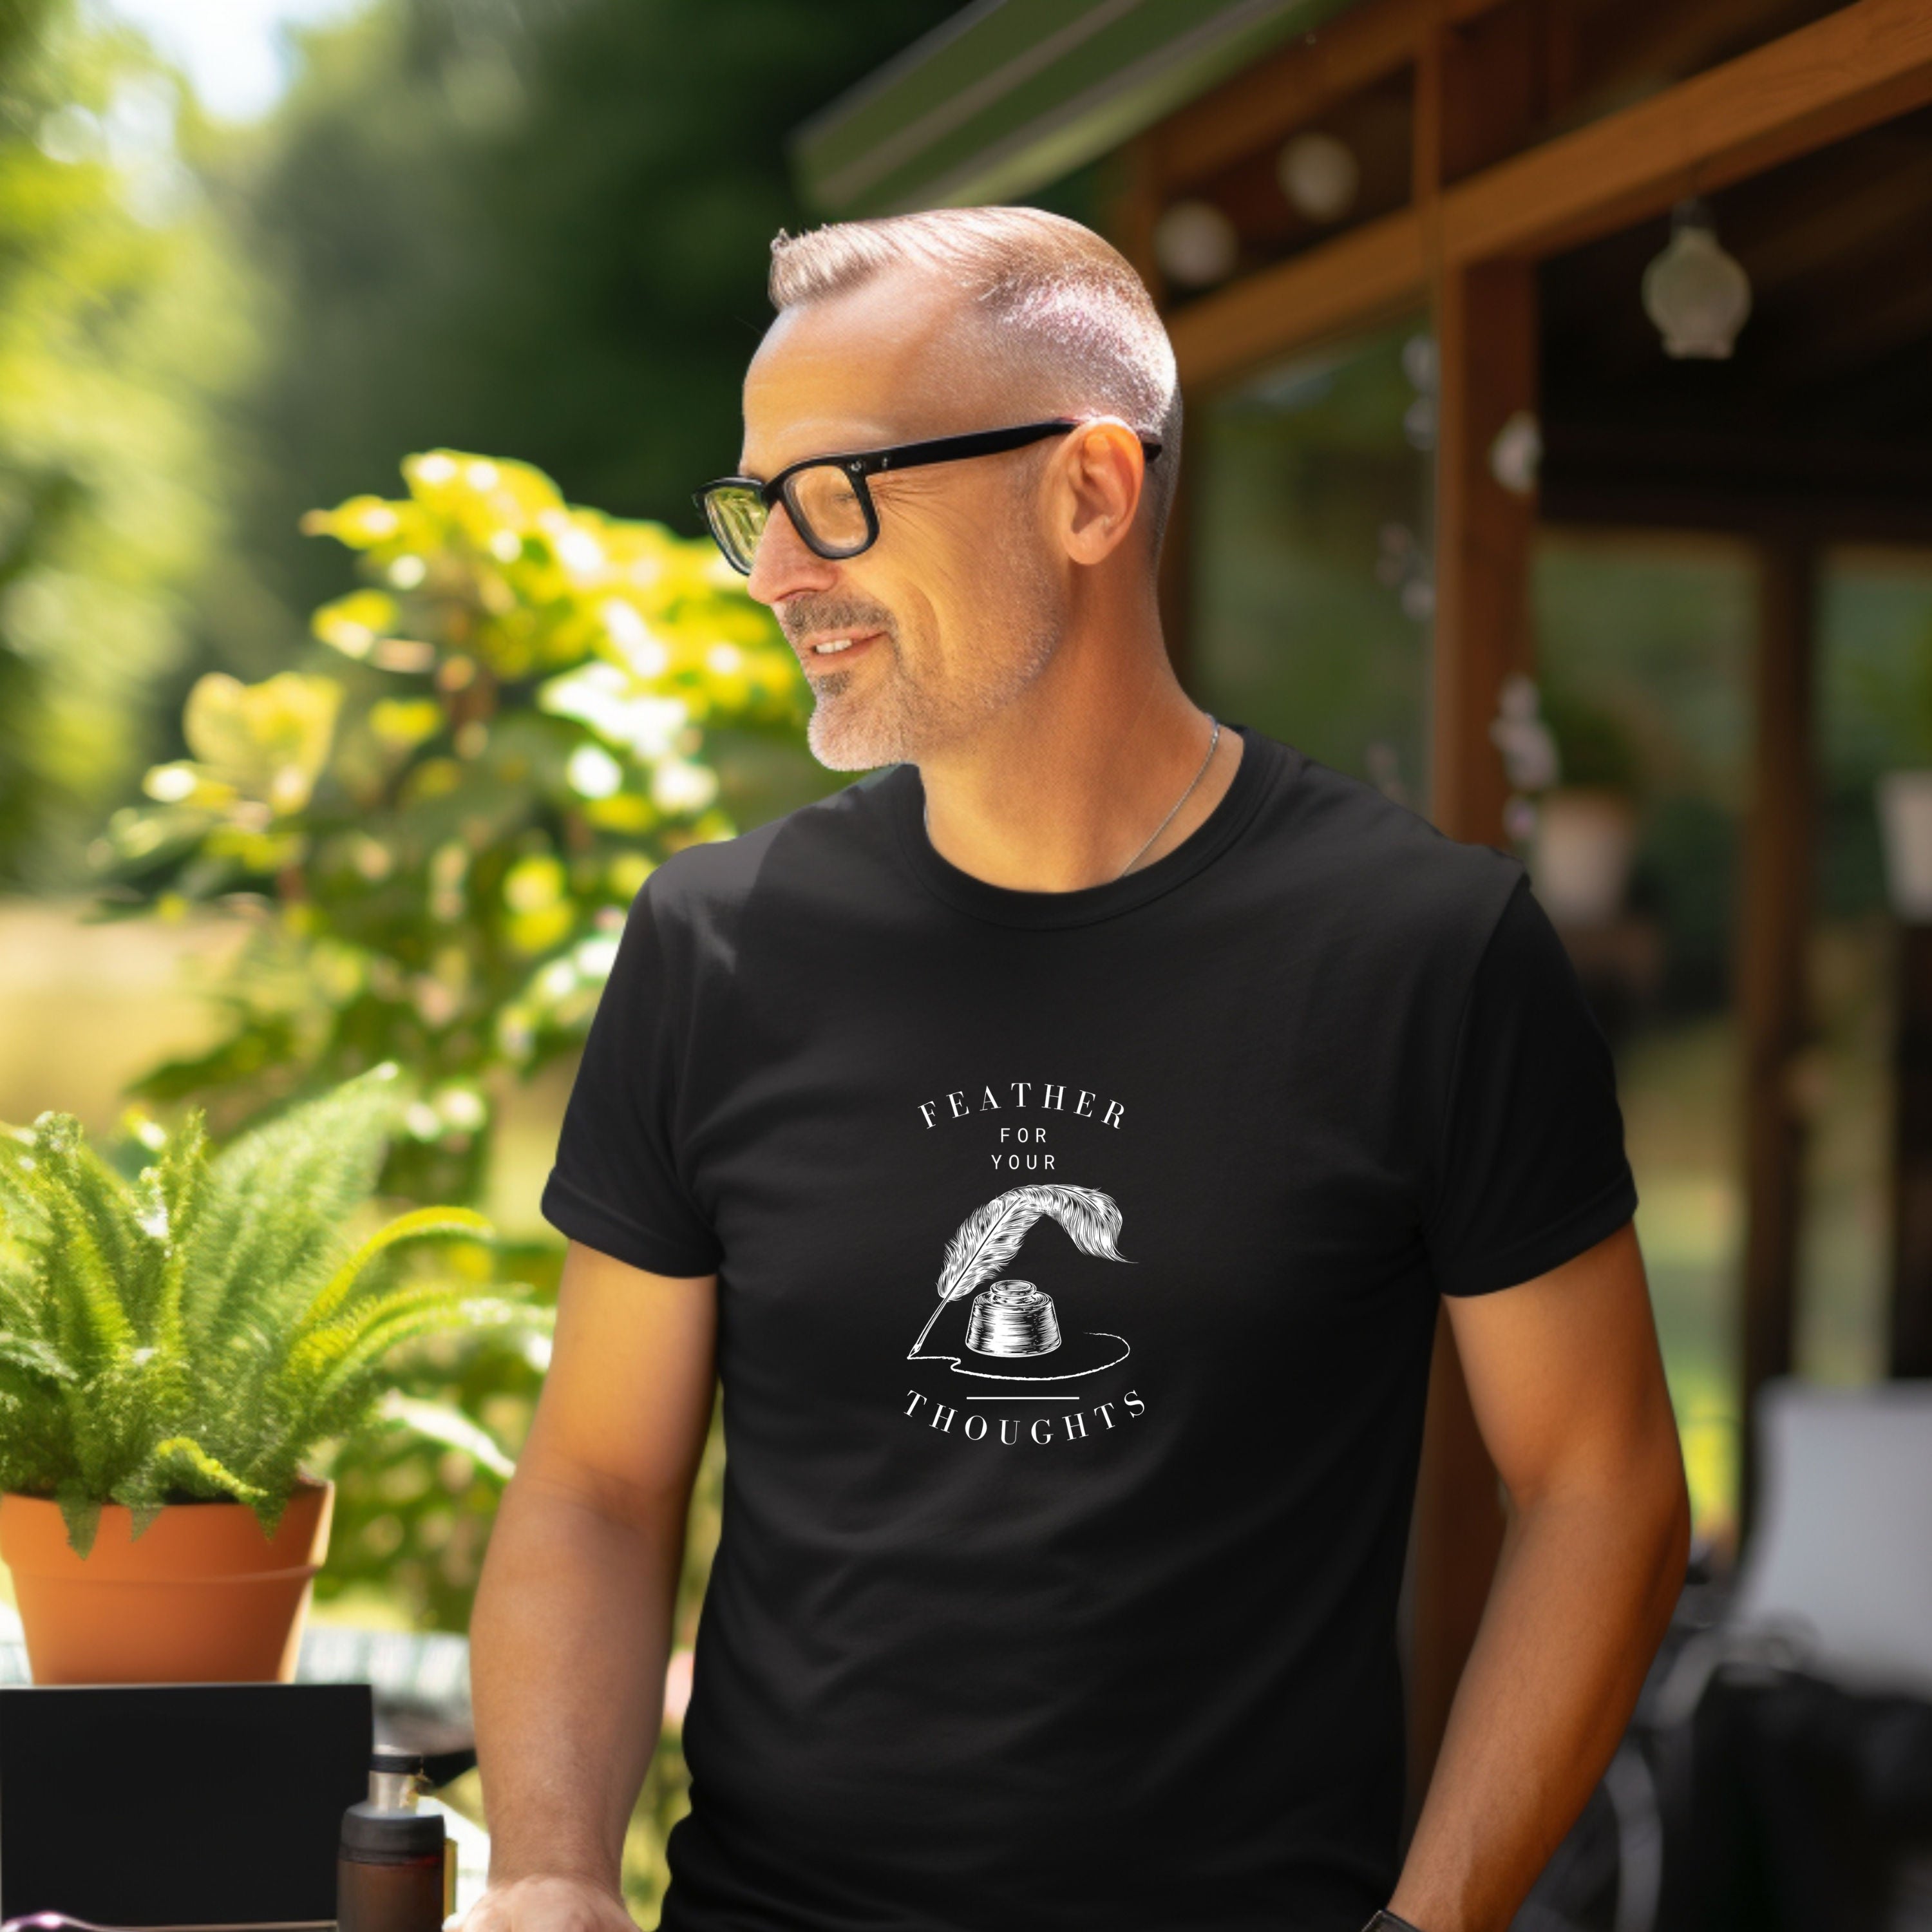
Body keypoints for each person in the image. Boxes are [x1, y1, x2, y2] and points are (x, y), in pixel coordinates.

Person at [461, 205, 1690, 1932]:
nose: (776, 571)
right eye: (758, 507)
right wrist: (552, 1875)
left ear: (1092, 492)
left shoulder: (1428, 956)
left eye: (840, 494)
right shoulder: (716, 948)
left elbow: (1604, 1489)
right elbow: (596, 1479)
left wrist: (1434, 1925)